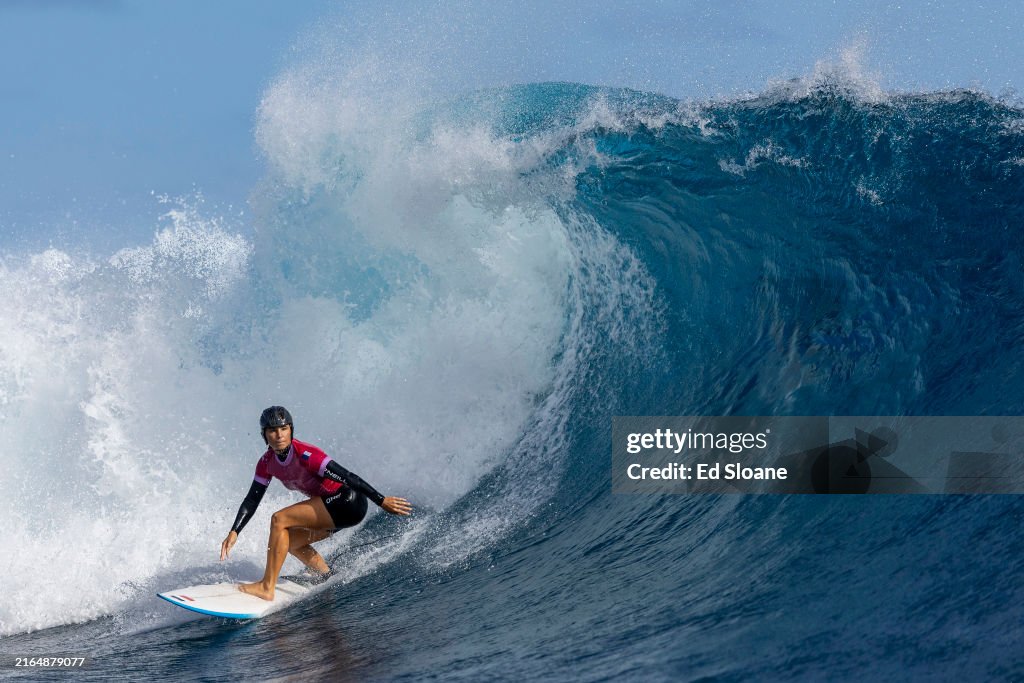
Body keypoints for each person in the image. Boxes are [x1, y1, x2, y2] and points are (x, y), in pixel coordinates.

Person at [220, 406, 412, 600]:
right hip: (333, 509)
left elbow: (348, 476)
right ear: (264, 434)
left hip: (347, 501)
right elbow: (253, 498)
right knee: (288, 541)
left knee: (279, 519)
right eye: (272, 430)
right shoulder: (266, 463)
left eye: (284, 428)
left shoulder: (306, 455)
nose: (279, 435)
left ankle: (266, 587)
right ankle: (324, 574)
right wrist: (235, 531)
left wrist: (380, 500)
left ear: (291, 429)